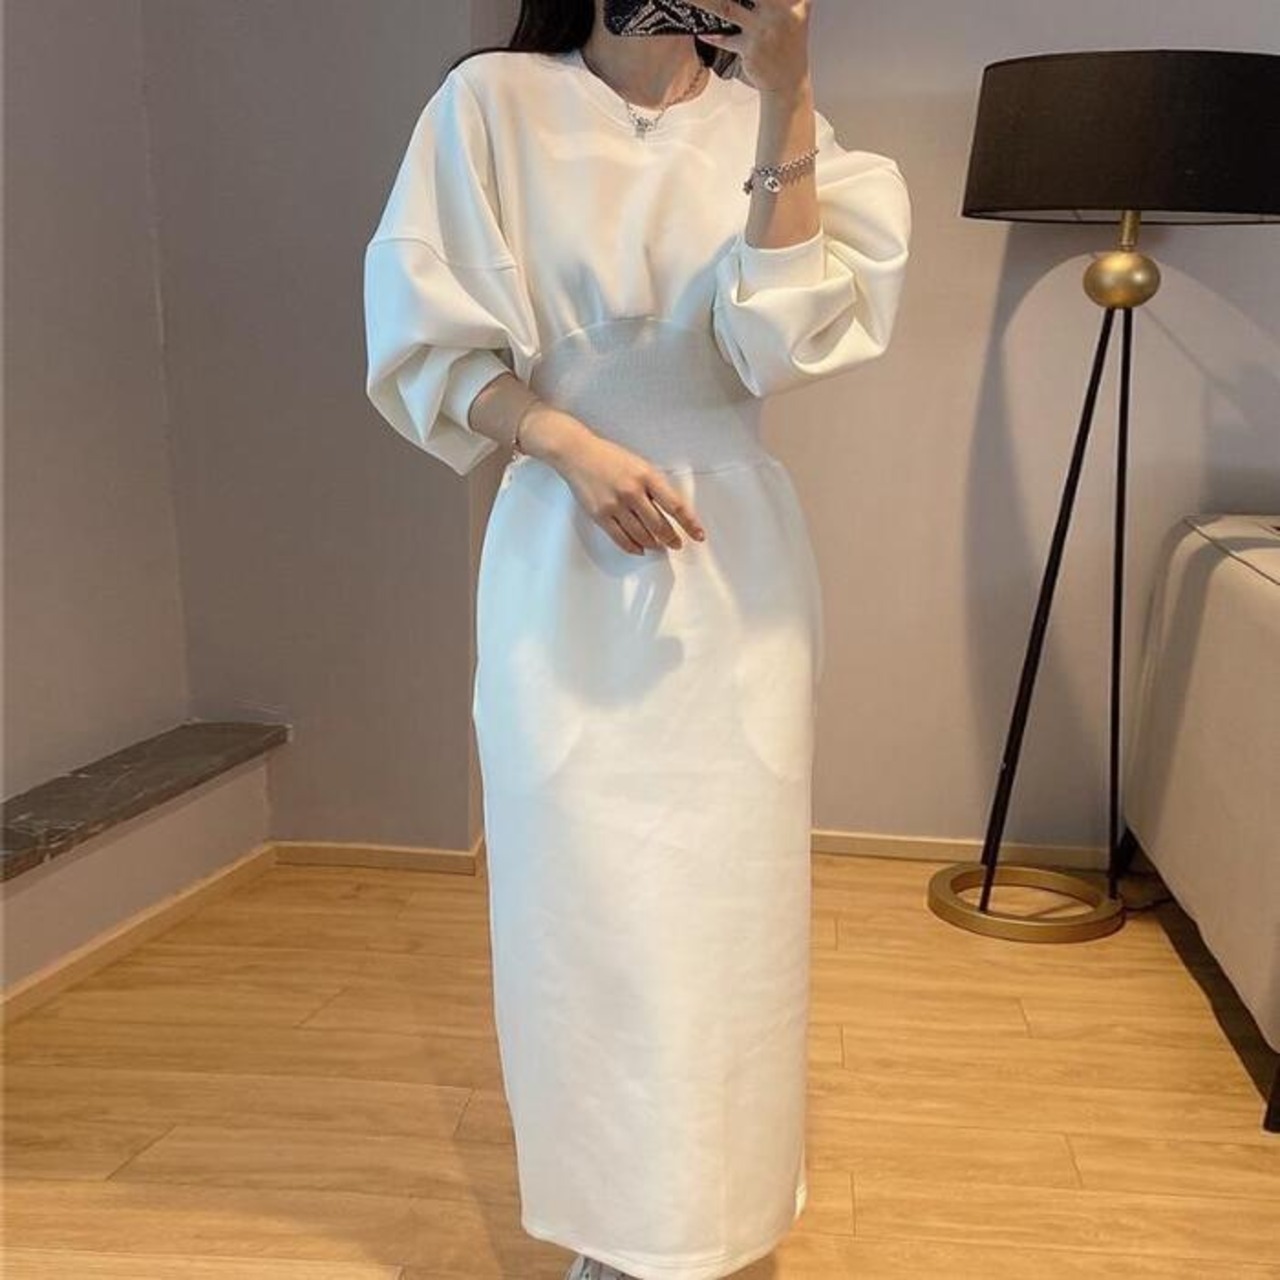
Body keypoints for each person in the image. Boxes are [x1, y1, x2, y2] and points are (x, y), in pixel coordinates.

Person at [362, 2, 911, 1277]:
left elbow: (772, 343)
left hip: (733, 573)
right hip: (562, 552)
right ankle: (614, 1226)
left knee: (726, 913)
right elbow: (424, 341)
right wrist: (569, 444)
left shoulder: (780, 125)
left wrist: (786, 96)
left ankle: (710, 1224)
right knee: (578, 910)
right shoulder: (491, 105)